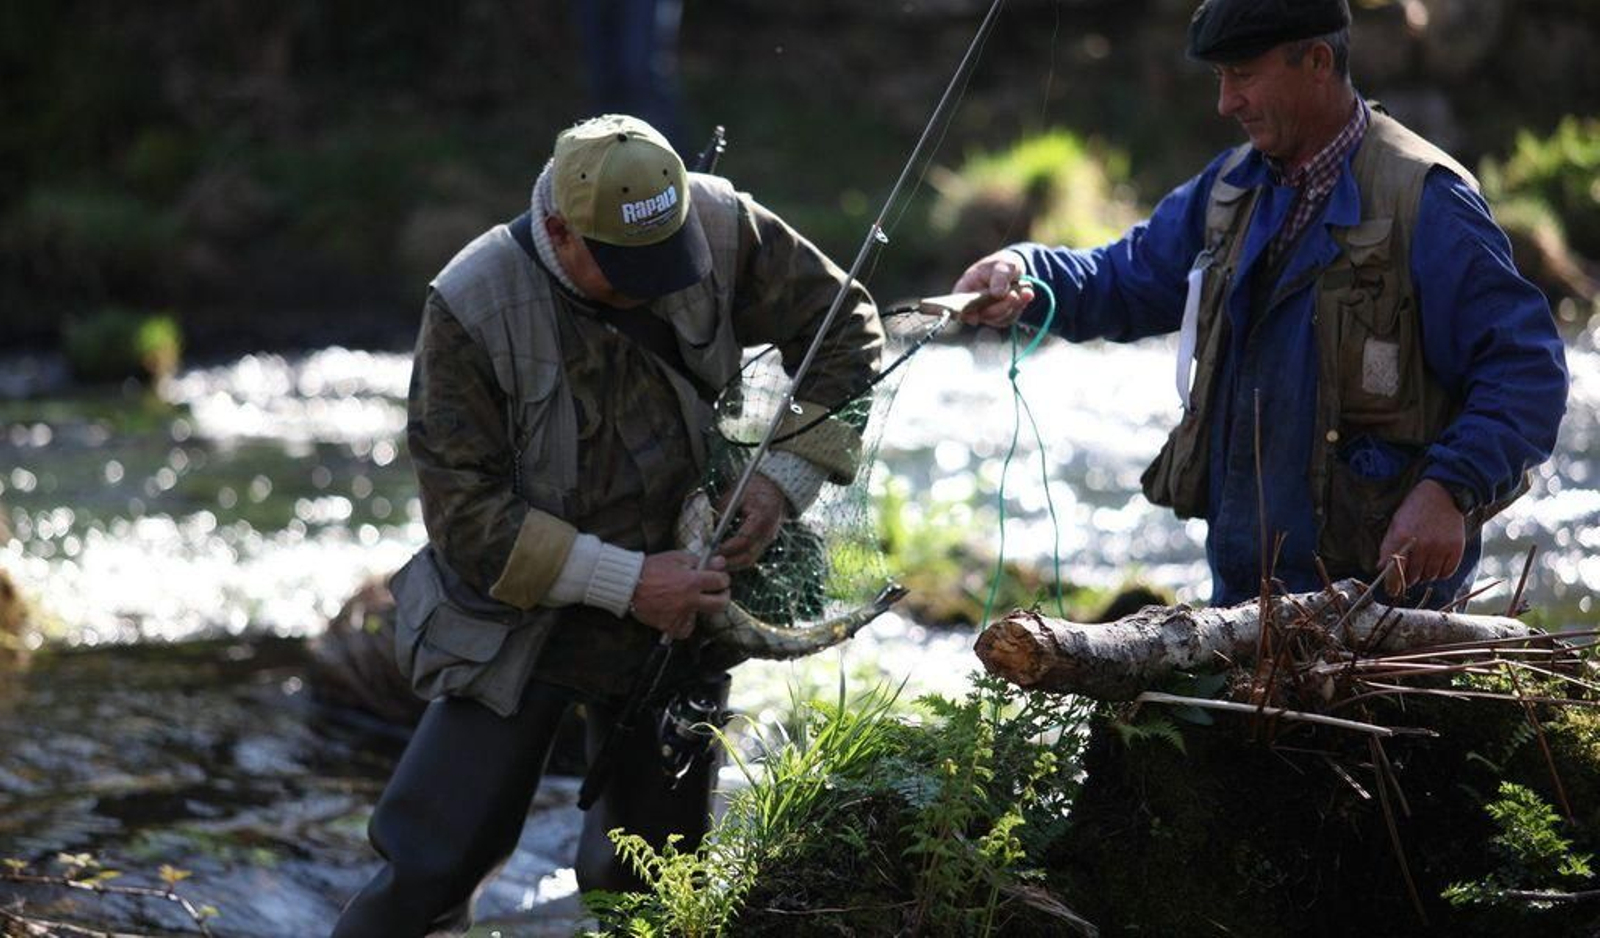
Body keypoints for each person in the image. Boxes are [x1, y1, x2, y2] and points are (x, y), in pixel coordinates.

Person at [333, 114, 882, 936]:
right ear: (560, 228)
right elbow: (466, 520)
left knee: (646, 884)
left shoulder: (725, 224)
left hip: (685, 606)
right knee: (430, 866)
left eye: (669, 258)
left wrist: (780, 481)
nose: (657, 283)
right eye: (630, 270)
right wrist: (629, 584)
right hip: (518, 617)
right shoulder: (472, 305)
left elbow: (847, 331)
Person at [953, 0, 1567, 608]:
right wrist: (1026, 270)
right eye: (1220, 78)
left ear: (1318, 61)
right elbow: (1126, 276)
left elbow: (1526, 370)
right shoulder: (1230, 189)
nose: (1226, 102)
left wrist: (1449, 489)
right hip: (1241, 610)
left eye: (1243, 75)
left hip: (1381, 618)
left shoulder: (1427, 201)